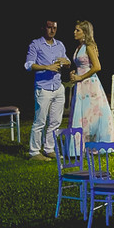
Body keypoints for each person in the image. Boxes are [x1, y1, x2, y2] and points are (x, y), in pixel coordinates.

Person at [25, 20, 69, 160]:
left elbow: (67, 61)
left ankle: (49, 149)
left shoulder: (59, 45)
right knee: (40, 121)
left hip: (58, 87)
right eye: (49, 27)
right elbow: (28, 65)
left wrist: (66, 62)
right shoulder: (36, 44)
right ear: (43, 28)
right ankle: (34, 152)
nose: (52, 30)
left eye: (54, 28)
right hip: (43, 88)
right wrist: (47, 67)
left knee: (55, 121)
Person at [67, 19, 114, 143]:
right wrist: (75, 73)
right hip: (81, 84)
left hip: (89, 84)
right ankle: (81, 143)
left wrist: (81, 77)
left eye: (77, 30)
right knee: (82, 114)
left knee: (91, 114)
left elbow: (97, 66)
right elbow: (82, 65)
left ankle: (93, 143)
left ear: (84, 32)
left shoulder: (88, 46)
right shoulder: (79, 47)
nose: (74, 32)